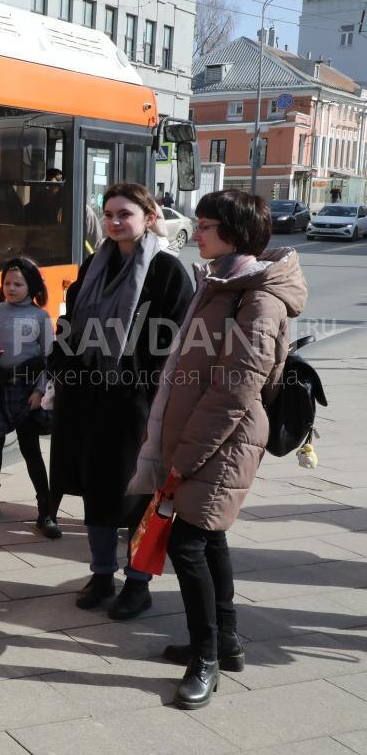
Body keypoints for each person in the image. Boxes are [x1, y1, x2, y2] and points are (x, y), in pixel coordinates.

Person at [127, 189, 306, 709]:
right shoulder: (223, 283)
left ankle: (204, 659)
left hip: (219, 442)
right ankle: (224, 644)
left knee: (187, 546)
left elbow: (235, 389)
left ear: (233, 232)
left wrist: (183, 458)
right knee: (209, 539)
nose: (196, 232)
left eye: (205, 225)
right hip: (199, 437)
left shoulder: (257, 297)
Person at [49, 182, 193, 620]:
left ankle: (137, 582)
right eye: (109, 214)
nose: (114, 221)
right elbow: (72, 323)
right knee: (97, 490)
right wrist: (58, 369)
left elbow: (176, 344)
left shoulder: (167, 271)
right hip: (88, 398)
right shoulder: (94, 264)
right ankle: (100, 573)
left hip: (137, 404)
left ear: (149, 218)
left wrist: (146, 391)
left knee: (136, 495)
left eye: (124, 214)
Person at [0, 257, 60, 537]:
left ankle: (45, 511)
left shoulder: (41, 317)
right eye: (7, 283)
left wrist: (39, 391)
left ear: (31, 286)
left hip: (27, 390)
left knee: (30, 449)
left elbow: (48, 359)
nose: (11, 287)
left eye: (18, 284)